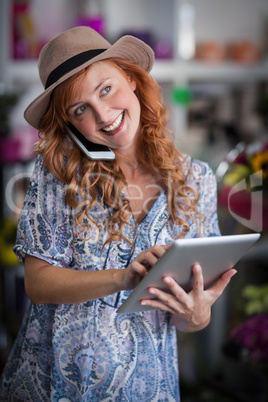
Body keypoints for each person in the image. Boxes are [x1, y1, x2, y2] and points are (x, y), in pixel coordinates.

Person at [0, 26, 236, 401]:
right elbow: (38, 284)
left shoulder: (196, 180)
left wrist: (196, 314)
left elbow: (187, 313)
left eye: (105, 89)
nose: (104, 115)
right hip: (55, 386)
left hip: (149, 387)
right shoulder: (59, 175)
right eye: (81, 109)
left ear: (130, 76)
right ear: (71, 123)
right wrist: (122, 277)